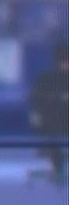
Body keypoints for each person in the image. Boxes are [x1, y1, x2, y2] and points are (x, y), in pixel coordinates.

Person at [30, 41, 69, 182]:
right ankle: (58, 168)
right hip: (53, 121)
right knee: (53, 137)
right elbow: (35, 98)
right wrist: (59, 98)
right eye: (64, 61)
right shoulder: (47, 78)